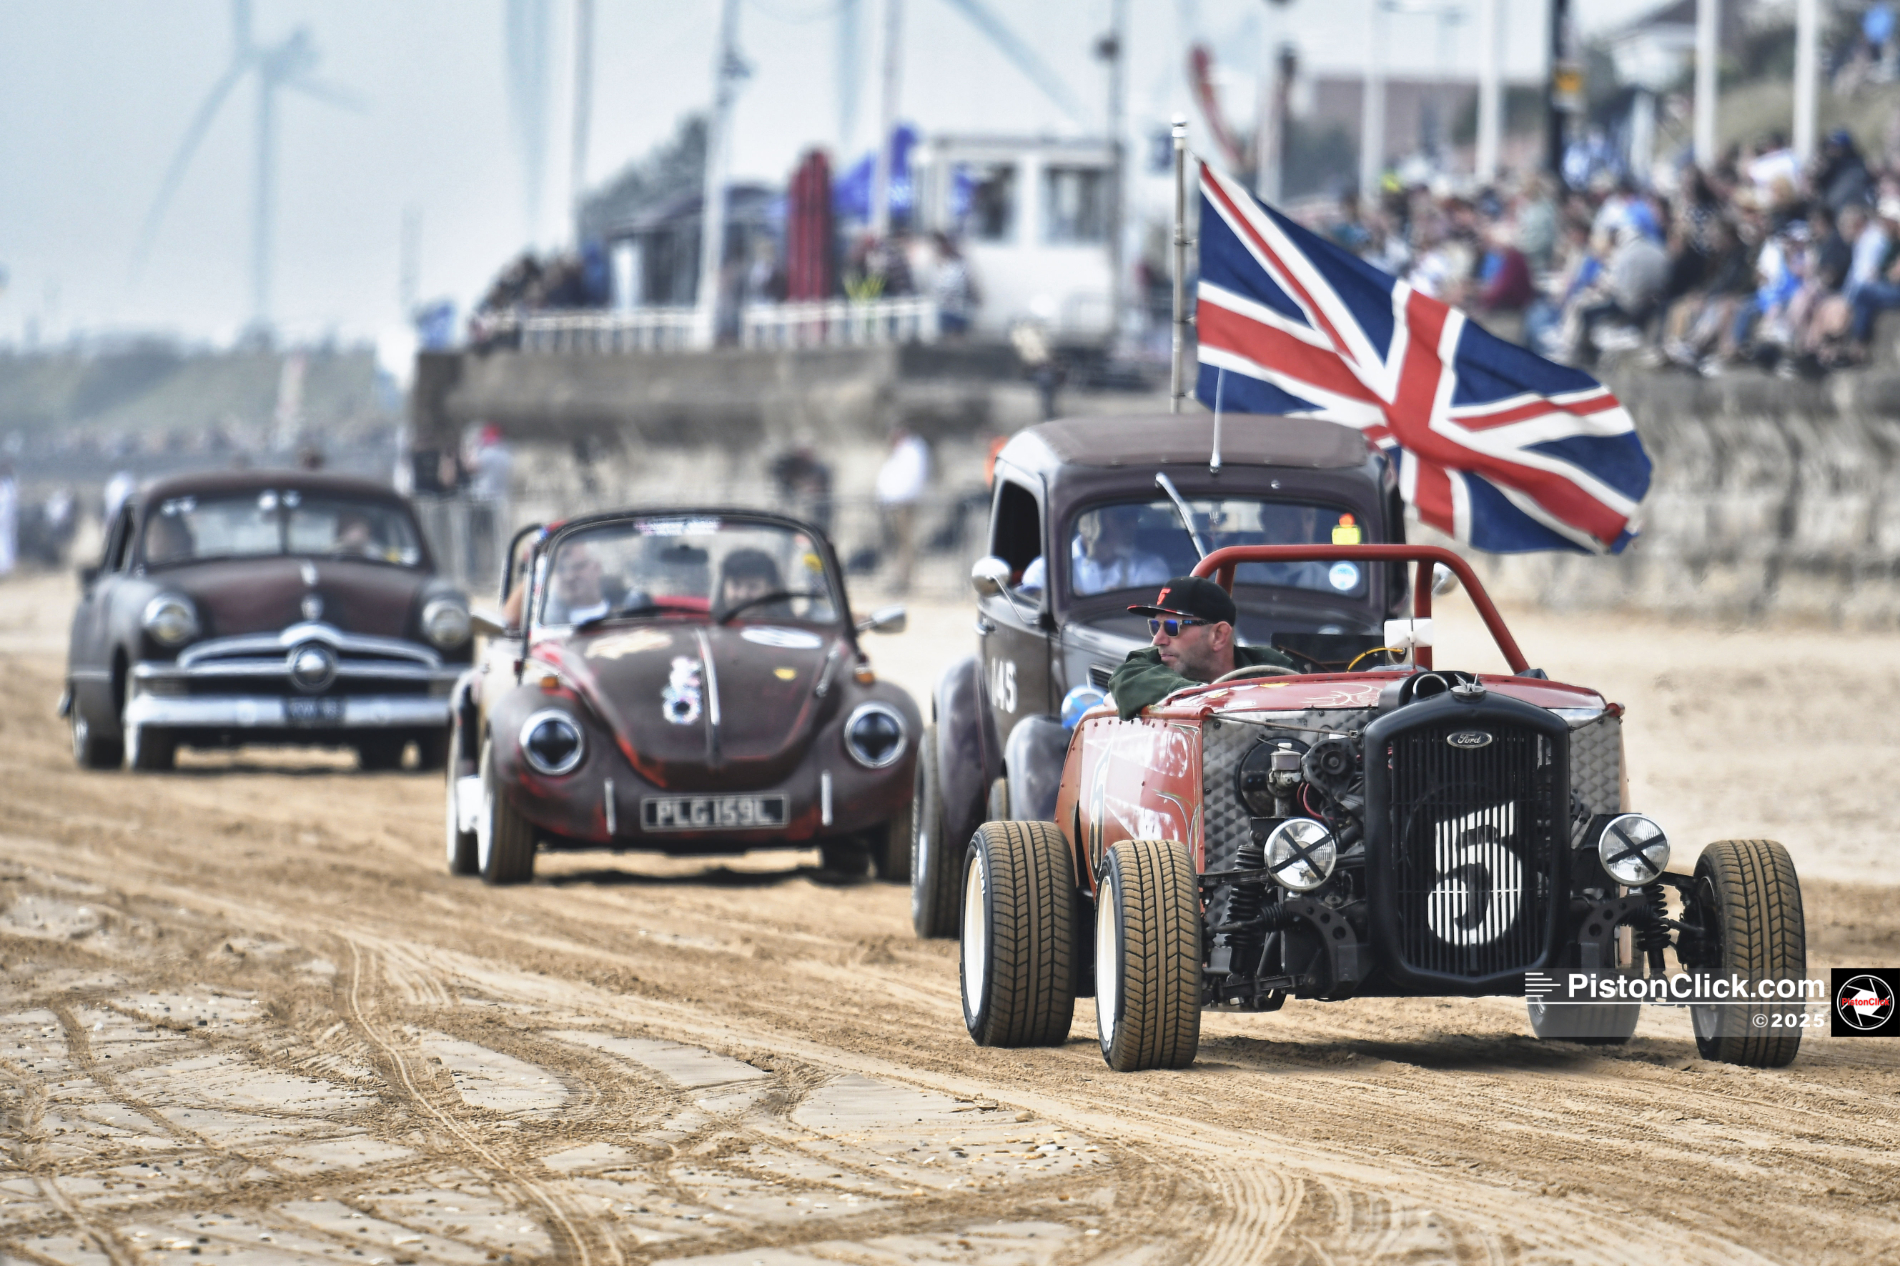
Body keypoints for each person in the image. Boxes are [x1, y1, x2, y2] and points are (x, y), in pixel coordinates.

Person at [1106, 576, 1295, 720]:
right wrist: (1201, 696)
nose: (1157, 640)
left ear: (1219, 635)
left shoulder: (1272, 668)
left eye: (1172, 627)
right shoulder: (1146, 664)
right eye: (1155, 626)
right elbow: (1127, 678)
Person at [874, 429, 930, 593]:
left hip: (903, 504)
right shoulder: (903, 452)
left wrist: (898, 499)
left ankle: (904, 580)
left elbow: (911, 479)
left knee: (905, 544)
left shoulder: (913, 452)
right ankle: (897, 578)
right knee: (897, 544)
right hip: (893, 504)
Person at [543, 543, 620, 625]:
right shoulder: (548, 622)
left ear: (597, 567)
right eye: (560, 569)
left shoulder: (626, 608)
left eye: (578, 567)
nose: (569, 576)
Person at [717, 549, 788, 619]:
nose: (742, 595)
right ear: (724, 587)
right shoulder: (712, 623)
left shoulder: (787, 625)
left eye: (753, 586)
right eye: (736, 585)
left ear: (770, 590)